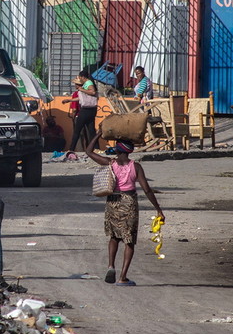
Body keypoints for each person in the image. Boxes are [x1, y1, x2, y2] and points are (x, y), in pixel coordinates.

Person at [85, 132, 164, 286]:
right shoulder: (136, 166)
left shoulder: (110, 163)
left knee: (114, 237)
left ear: (117, 150)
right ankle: (122, 277)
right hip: (129, 202)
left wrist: (99, 134)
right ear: (129, 150)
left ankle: (110, 266)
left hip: (112, 202)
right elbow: (147, 190)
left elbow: (88, 151)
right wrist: (158, 209)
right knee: (129, 240)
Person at [66, 69, 99, 153]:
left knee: (77, 130)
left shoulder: (88, 83)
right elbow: (83, 98)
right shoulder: (87, 83)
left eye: (80, 77)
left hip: (86, 110)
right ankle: (96, 148)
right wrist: (70, 100)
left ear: (83, 77)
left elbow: (92, 92)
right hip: (92, 110)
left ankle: (71, 148)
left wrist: (81, 89)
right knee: (91, 130)